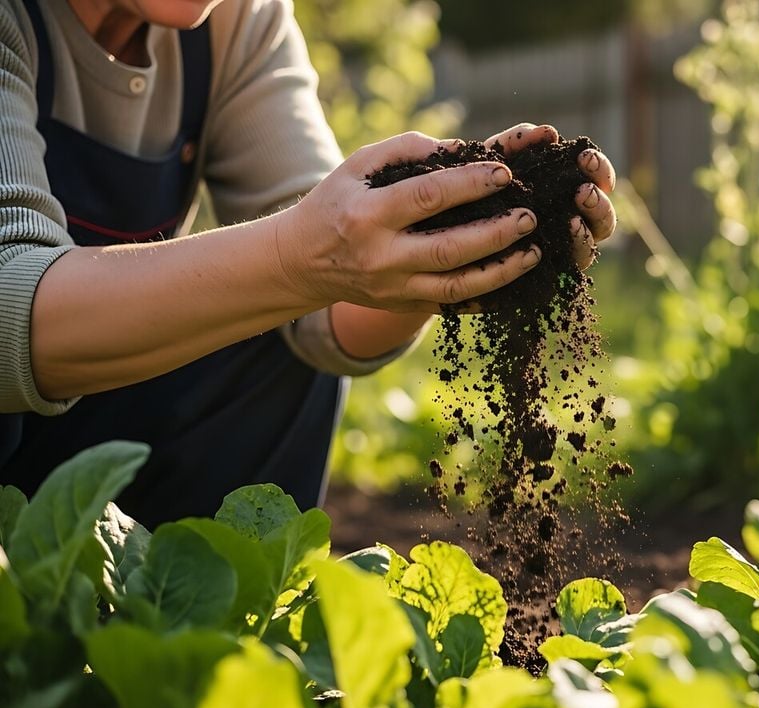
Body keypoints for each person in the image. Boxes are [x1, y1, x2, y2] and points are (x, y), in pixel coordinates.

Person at [0, 0, 617, 528]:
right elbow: (12, 313)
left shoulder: (238, 18)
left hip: (96, 440)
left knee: (278, 316)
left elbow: (327, 308)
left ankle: (183, 636)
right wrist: (305, 258)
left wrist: (441, 247)